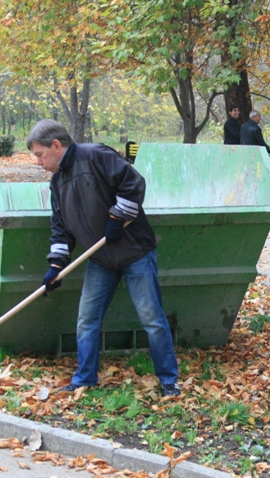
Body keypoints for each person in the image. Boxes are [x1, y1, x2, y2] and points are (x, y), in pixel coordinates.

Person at [26, 119, 181, 398]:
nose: (38, 162)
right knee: (87, 319)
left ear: (57, 145)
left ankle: (169, 379)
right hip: (100, 259)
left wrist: (117, 217)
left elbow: (133, 183)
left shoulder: (96, 155)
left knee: (152, 318)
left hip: (135, 252)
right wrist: (56, 265)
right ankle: (84, 378)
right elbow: (60, 227)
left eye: (40, 154)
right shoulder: (57, 183)